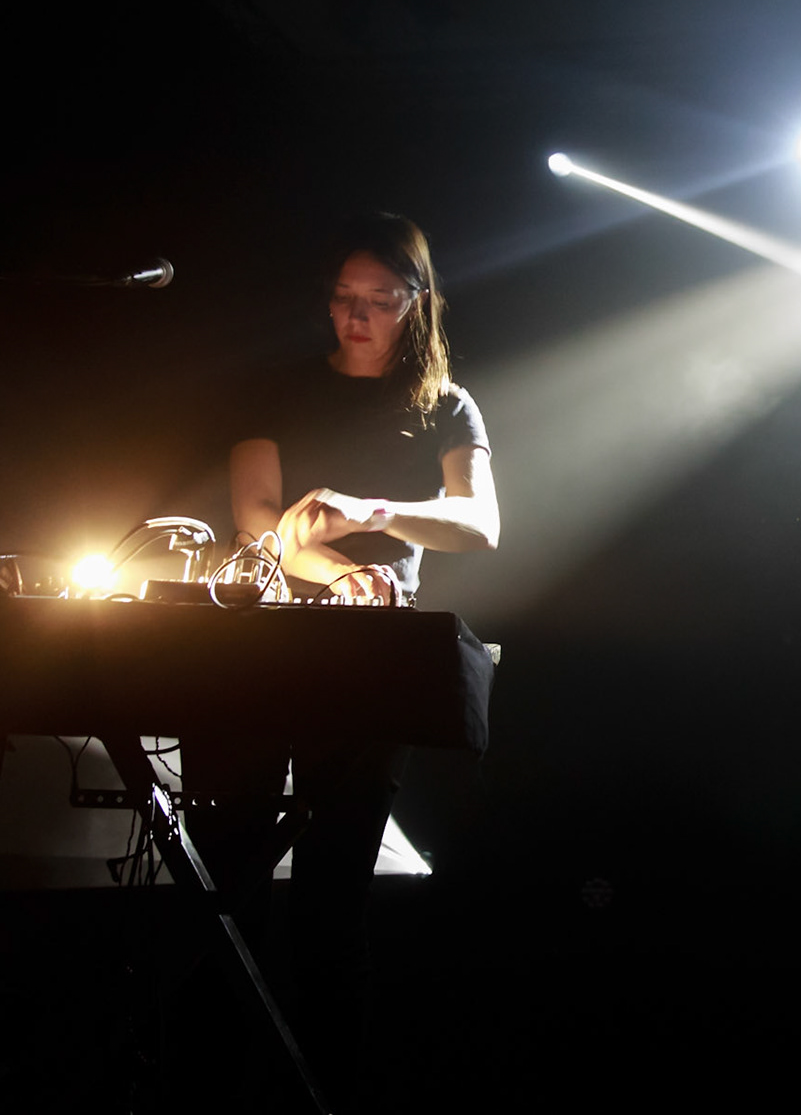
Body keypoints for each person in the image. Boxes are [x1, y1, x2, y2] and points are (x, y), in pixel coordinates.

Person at [178, 211, 498, 1108]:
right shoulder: (275, 386)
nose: (356, 318)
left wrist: (376, 511)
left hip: (369, 663)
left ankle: (322, 1096)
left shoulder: (446, 404)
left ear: (417, 303)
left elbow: (482, 523)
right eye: (342, 300)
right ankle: (202, 1091)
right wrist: (333, 569)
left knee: (332, 903)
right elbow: (257, 523)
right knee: (224, 879)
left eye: (379, 302)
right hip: (264, 651)